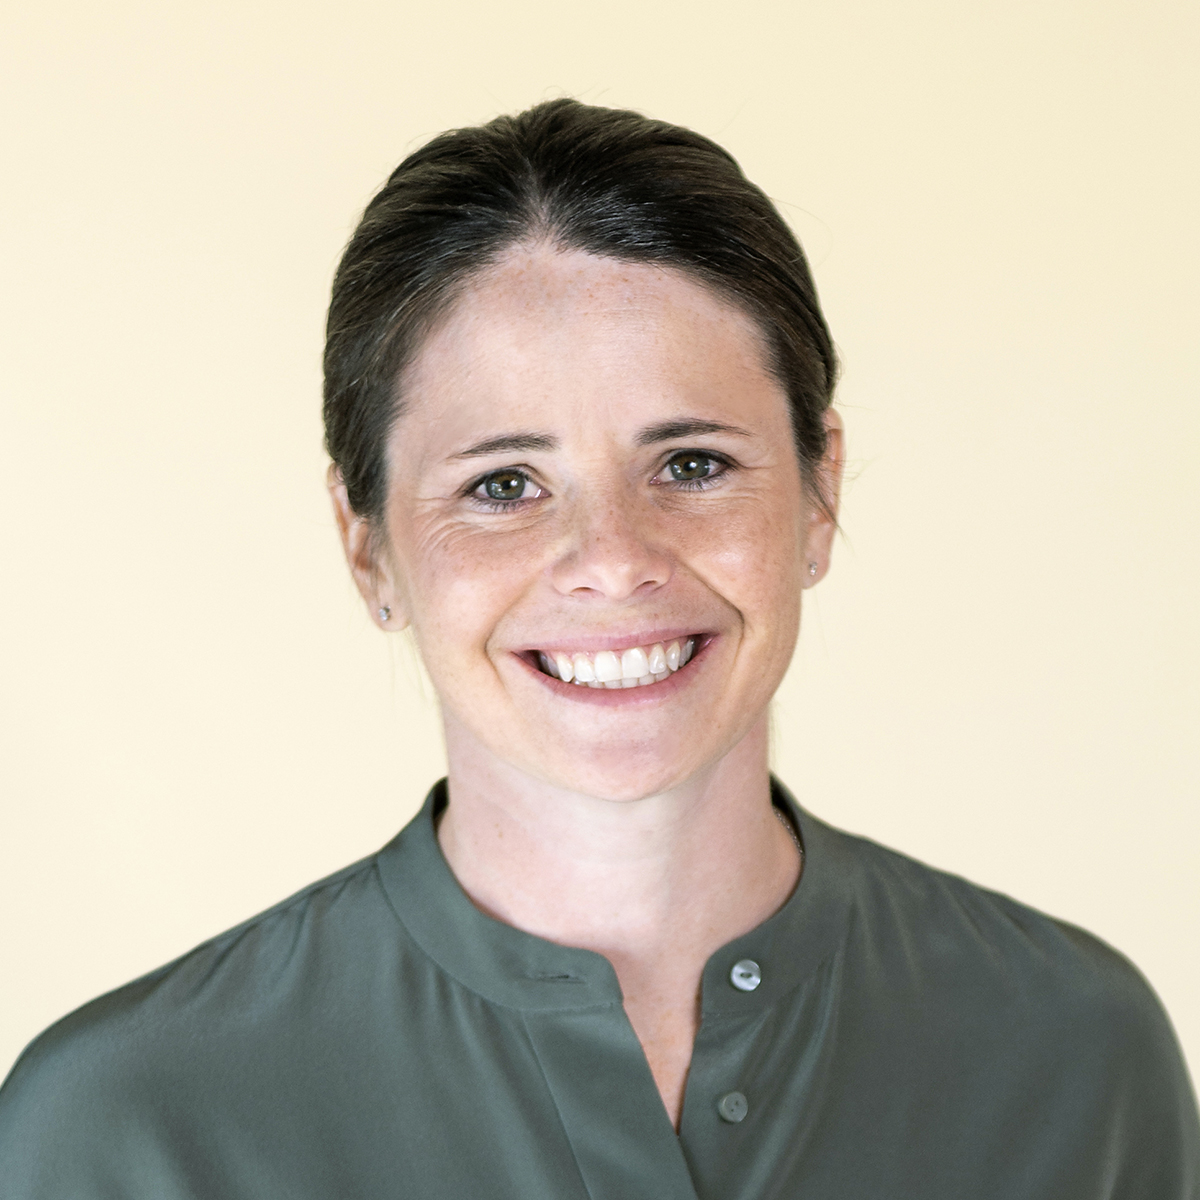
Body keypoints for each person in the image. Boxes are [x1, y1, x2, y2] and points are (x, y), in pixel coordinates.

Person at [1, 98, 1196, 1199]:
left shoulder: (1074, 1050)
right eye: (505, 484)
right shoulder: (123, 1127)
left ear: (819, 494)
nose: (613, 558)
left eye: (691, 464)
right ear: (367, 547)